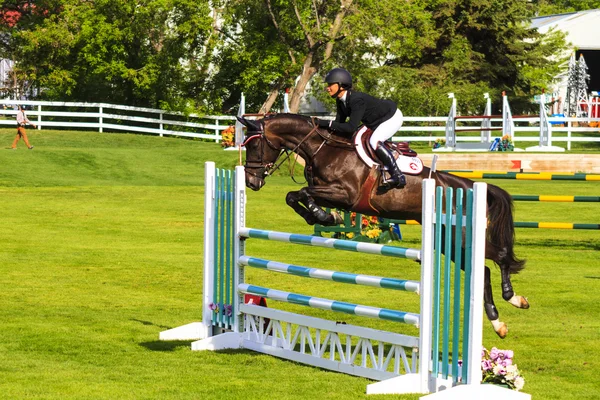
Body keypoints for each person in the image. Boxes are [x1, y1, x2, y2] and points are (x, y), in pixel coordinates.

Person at [316, 68, 405, 189]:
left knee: (375, 141)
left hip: (391, 117)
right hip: (376, 122)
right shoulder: (341, 101)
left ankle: (397, 175)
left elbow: (351, 127)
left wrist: (326, 123)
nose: (328, 88)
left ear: (341, 86)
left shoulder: (356, 100)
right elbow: (339, 124)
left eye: (331, 84)